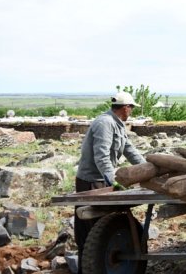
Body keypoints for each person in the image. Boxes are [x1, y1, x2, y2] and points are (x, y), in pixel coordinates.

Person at [74, 91, 146, 273]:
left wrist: (148, 169)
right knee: (93, 233)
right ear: (125, 108)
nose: (131, 111)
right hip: (91, 182)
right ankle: (89, 268)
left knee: (105, 227)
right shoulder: (104, 123)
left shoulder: (118, 125)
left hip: (102, 180)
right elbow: (102, 157)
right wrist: (112, 181)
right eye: (131, 108)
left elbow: (130, 150)